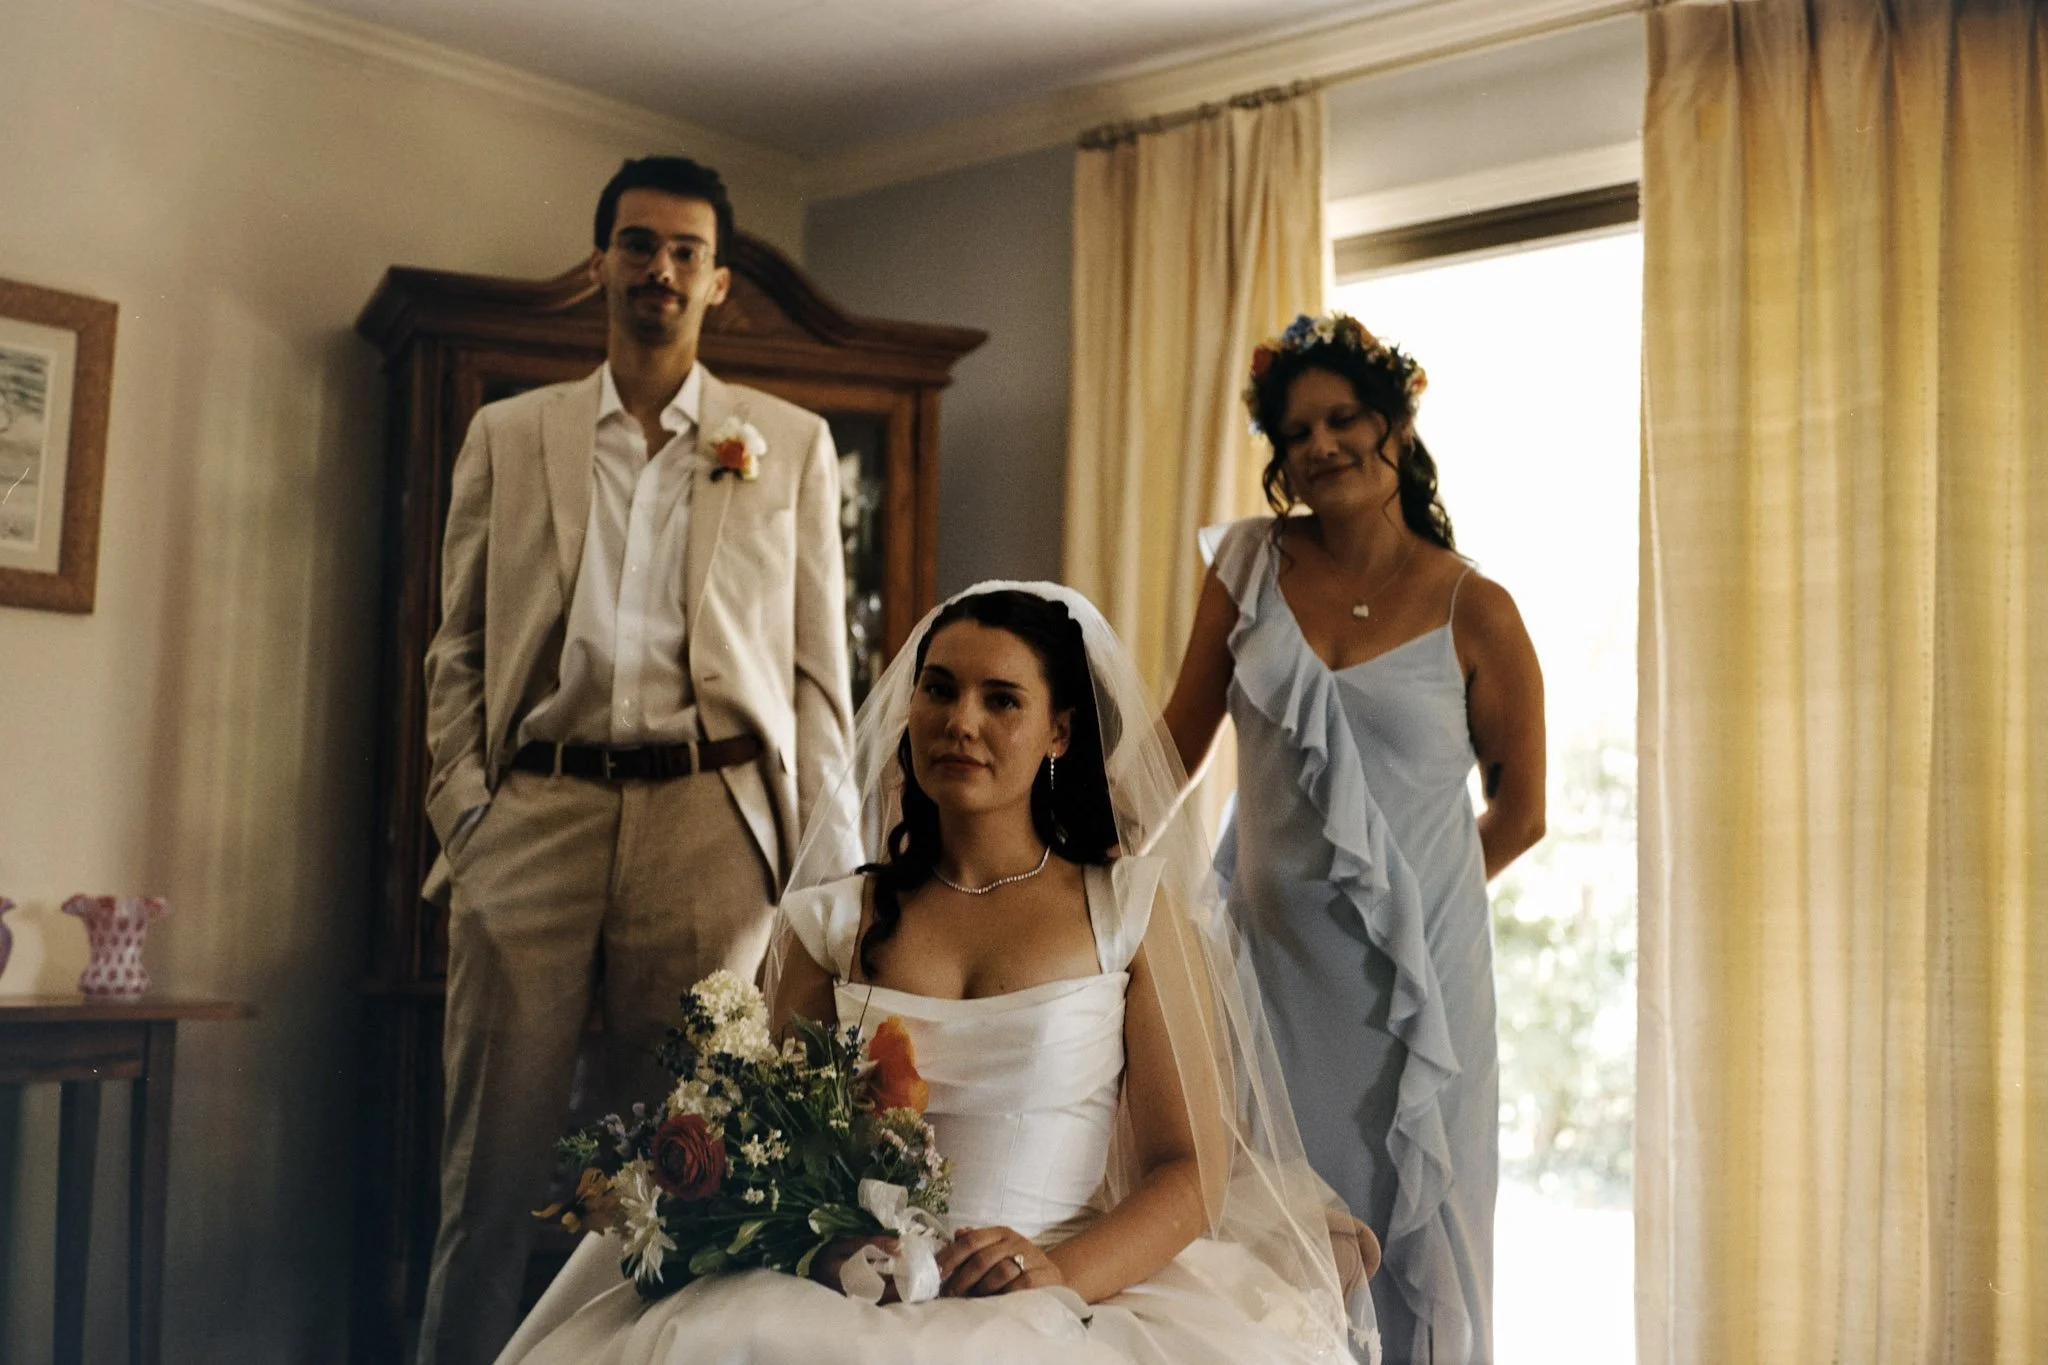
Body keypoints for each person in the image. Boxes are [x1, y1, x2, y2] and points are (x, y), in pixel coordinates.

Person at [493, 584, 1382, 1365]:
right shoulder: (828, 924)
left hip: (1066, 1285)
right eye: (940, 688)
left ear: (1060, 731)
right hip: (849, 1287)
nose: (962, 721)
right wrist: (835, 1246)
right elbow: (771, 1144)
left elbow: (1189, 1169)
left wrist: (1055, 1273)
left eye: (1003, 700)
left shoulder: (1132, 912)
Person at [417, 155, 856, 1365]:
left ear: (716, 283)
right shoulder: (510, 434)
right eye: (638, 244)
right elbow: (455, 645)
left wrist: (823, 865)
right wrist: (467, 817)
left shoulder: (789, 443)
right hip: (535, 815)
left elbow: (819, 671)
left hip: (712, 823)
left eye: (685, 252)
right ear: (600, 262)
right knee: (490, 1174)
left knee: (691, 1170)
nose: (659, 268)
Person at [1162, 314, 1546, 1363]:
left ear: (1395, 427)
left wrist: (1404, 907)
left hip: (1415, 990)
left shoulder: (1478, 608)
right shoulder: (1246, 567)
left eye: (1342, 420)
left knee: (1414, 1233)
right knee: (1273, 1239)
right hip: (1266, 973)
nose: (1321, 445)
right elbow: (1173, 747)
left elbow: (1521, 813)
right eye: (1296, 433)